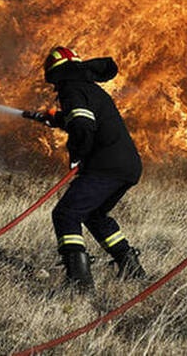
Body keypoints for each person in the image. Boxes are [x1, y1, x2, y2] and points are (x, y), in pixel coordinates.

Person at [33, 45, 147, 291]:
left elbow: (83, 126)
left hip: (106, 165)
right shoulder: (88, 88)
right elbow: (82, 119)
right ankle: (131, 268)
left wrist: (78, 156)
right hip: (127, 166)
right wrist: (57, 118)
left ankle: (79, 282)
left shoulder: (71, 88)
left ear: (56, 73)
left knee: (66, 214)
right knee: (94, 215)